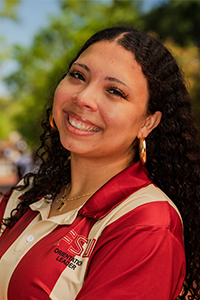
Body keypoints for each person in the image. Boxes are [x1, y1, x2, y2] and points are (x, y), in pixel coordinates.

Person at [0, 26, 200, 300]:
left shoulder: (147, 225)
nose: (83, 97)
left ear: (148, 122)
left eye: (115, 91)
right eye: (78, 75)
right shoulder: (26, 193)